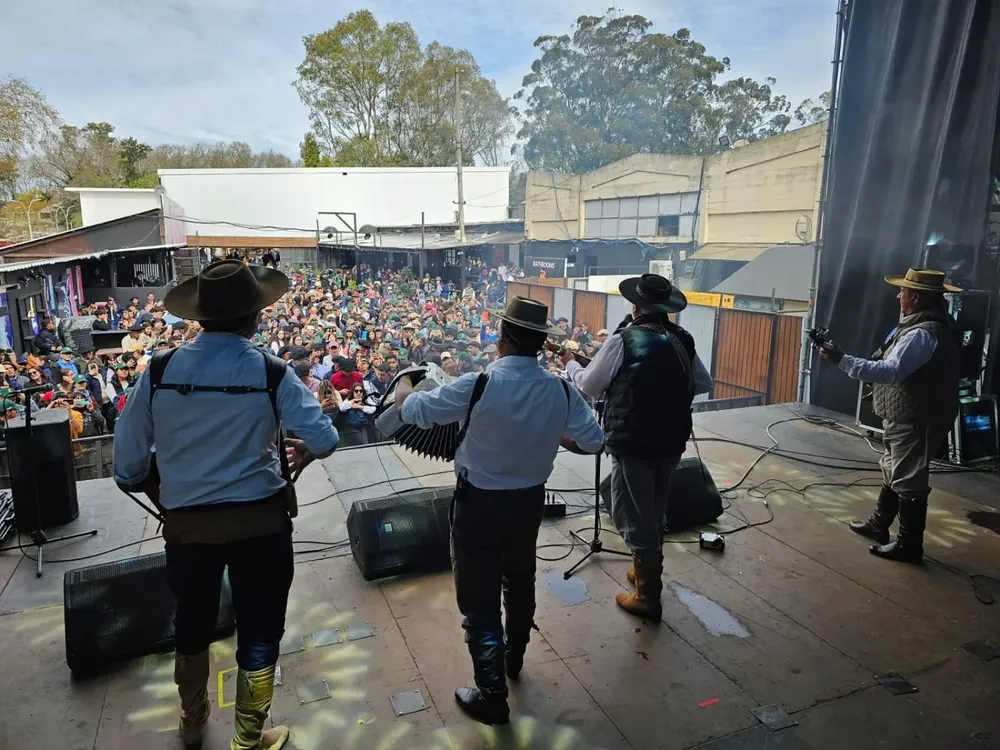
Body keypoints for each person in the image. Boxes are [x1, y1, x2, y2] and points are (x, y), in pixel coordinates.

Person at [114, 260, 339, 750]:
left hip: (188, 531)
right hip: (261, 525)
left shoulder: (158, 372)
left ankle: (192, 724)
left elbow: (126, 468)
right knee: (260, 632)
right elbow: (325, 436)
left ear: (200, 316)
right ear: (255, 318)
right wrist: (300, 451)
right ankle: (248, 738)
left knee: (191, 625)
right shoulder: (271, 371)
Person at [394, 296, 604, 726]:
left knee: (479, 600)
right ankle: (513, 660)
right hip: (528, 505)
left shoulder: (479, 384)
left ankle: (492, 694)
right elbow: (595, 440)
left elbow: (412, 410)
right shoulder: (561, 389)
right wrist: (559, 440)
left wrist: (402, 383)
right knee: (519, 579)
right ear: (541, 345)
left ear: (502, 340)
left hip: (478, 506)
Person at [563, 274, 713, 620]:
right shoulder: (681, 339)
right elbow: (702, 383)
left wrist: (570, 365)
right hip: (672, 438)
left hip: (632, 439)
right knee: (655, 506)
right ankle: (643, 568)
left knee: (632, 511)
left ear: (636, 306)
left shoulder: (624, 339)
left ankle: (647, 595)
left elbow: (590, 385)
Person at [818, 268, 960, 564]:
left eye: (904, 292)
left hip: (918, 418)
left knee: (909, 478)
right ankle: (879, 525)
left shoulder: (921, 333)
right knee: (893, 469)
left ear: (916, 298)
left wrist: (842, 361)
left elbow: (891, 371)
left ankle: (909, 545)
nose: (899, 296)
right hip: (909, 415)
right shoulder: (920, 326)